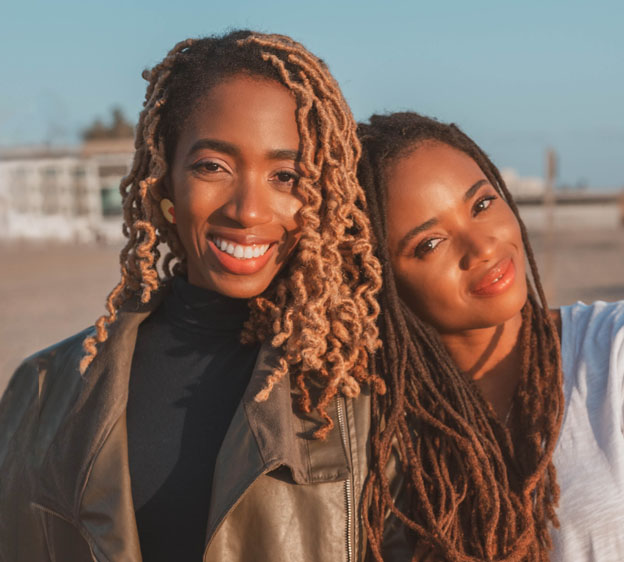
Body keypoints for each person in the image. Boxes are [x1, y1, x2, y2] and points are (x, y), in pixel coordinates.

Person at [0, 31, 387, 562]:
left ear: (323, 195)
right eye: (213, 167)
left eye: (285, 175)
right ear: (164, 188)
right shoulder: (43, 391)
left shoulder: (364, 390)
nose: (248, 210)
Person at [357, 112, 624, 561]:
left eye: (481, 205)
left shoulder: (611, 352)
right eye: (430, 243)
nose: (482, 247)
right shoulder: (374, 432)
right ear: (379, 280)